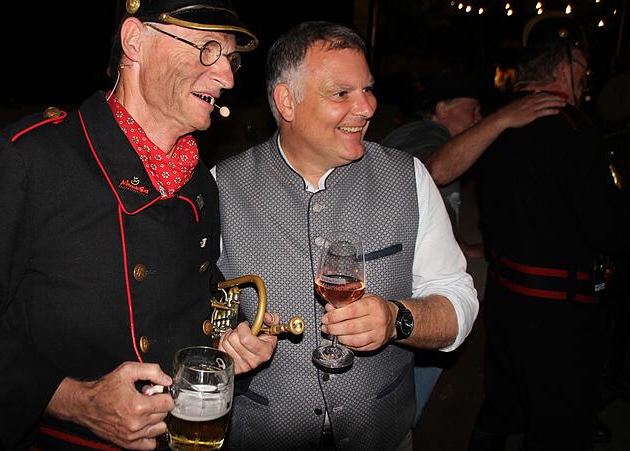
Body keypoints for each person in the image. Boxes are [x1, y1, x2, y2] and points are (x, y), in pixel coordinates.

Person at [0, 1, 277, 449]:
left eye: (231, 60)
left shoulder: (197, 180)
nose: (228, 77)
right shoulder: (34, 160)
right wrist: (75, 401)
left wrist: (228, 341)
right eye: (207, 49)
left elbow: (188, 296)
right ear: (134, 41)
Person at [213, 21, 479, 450]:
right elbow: (195, 317)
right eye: (342, 94)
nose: (367, 107)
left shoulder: (408, 178)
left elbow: (459, 301)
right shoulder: (221, 188)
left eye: (368, 89)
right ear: (287, 101)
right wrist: (227, 344)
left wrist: (397, 319)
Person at [468, 15, 630, 451]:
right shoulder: (575, 132)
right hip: (561, 318)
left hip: (506, 303)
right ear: (565, 67)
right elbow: (611, 230)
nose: (585, 80)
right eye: (582, 70)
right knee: (558, 427)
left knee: (504, 404)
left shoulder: (495, 126)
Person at [381, 73, 565, 421]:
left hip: (409, 288)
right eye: (474, 109)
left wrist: (461, 246)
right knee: (399, 413)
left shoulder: (441, 140)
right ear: (441, 108)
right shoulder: (423, 133)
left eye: (484, 111)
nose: (479, 117)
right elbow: (432, 171)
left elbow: (432, 207)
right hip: (407, 293)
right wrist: (503, 118)